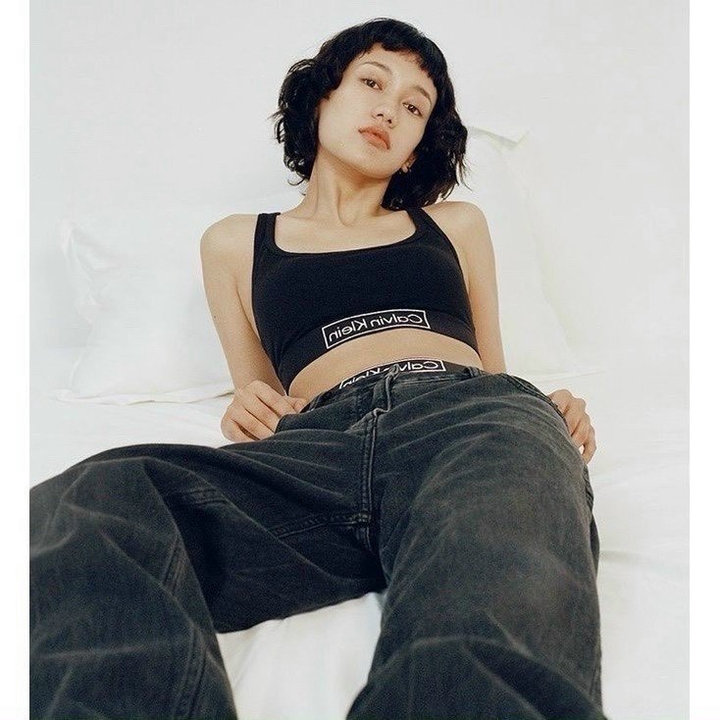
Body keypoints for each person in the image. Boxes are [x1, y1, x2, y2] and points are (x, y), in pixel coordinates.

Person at [30, 17, 605, 720]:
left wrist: (544, 415)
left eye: (415, 106)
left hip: (465, 418)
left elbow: (492, 371)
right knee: (90, 503)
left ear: (418, 147)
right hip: (317, 447)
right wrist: (247, 407)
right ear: (322, 96)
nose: (389, 109)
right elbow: (261, 394)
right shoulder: (234, 243)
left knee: (498, 565)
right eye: (372, 82)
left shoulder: (456, 225)